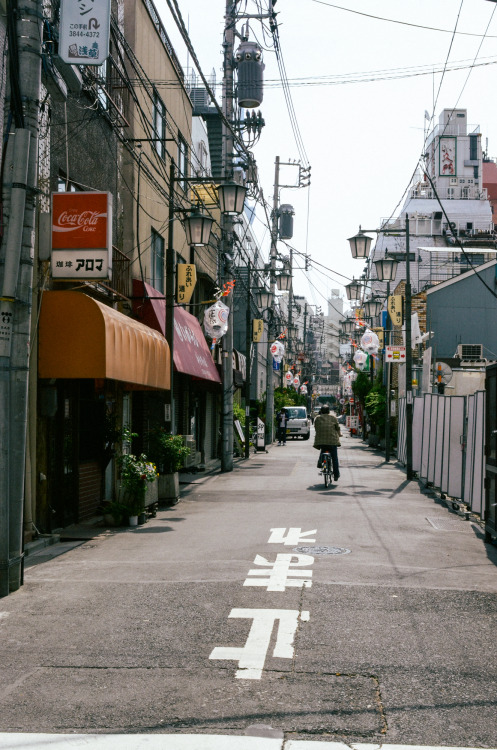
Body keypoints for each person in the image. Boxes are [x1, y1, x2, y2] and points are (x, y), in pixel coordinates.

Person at [313, 404, 341, 481]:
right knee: (334, 458)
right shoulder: (333, 418)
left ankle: (320, 461)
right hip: (332, 442)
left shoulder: (317, 418)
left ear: (321, 411)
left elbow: (316, 427)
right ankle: (336, 475)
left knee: (323, 448)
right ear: (329, 411)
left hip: (321, 441)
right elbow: (337, 428)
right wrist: (340, 434)